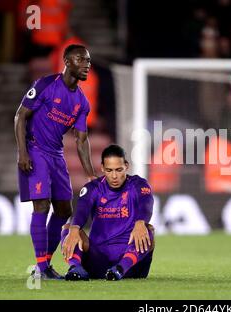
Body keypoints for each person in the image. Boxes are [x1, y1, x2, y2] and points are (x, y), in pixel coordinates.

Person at [14, 44, 96, 279]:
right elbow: (20, 116)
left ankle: (45, 264)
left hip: (56, 154)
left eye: (89, 61)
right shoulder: (46, 84)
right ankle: (41, 268)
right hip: (35, 149)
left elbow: (81, 140)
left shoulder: (82, 102)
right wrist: (22, 152)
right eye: (82, 59)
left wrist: (90, 175)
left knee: (64, 209)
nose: (87, 64)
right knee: (41, 205)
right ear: (68, 62)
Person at [61, 144, 155, 281]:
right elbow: (81, 210)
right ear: (102, 168)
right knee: (69, 228)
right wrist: (75, 229)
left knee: (148, 229)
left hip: (130, 265)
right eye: (109, 170)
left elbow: (146, 204)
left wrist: (140, 222)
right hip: (97, 259)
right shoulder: (93, 188)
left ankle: (120, 268)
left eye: (119, 170)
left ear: (126, 166)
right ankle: (75, 269)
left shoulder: (138, 184)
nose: (114, 176)